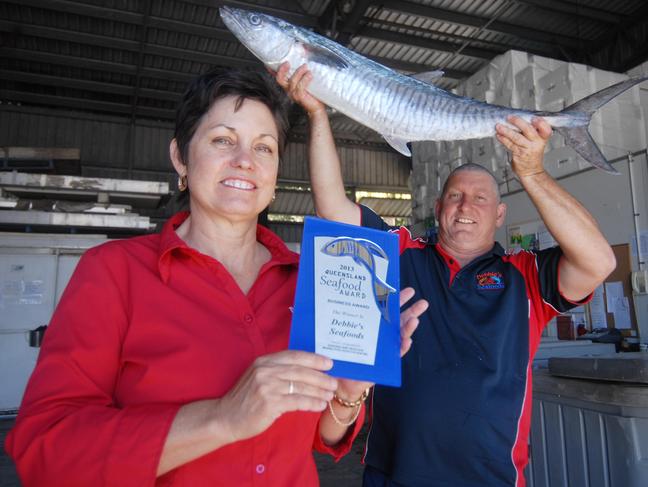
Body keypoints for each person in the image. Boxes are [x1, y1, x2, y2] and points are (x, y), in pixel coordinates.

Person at [5, 69, 428, 487]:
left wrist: (350, 390)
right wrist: (224, 417)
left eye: (264, 148)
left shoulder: (311, 282)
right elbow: (47, 453)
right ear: (180, 157)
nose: (245, 160)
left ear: (276, 174)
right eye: (223, 140)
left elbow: (322, 436)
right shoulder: (113, 273)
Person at [276, 63, 616, 487]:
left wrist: (532, 172)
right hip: (392, 476)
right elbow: (332, 208)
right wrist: (317, 114)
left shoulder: (525, 276)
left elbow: (598, 262)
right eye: (454, 196)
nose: (465, 206)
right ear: (438, 209)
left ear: (499, 213)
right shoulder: (402, 255)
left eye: (479, 198)